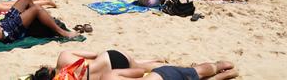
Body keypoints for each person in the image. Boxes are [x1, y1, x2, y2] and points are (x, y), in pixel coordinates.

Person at [33, 50, 166, 80]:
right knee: (136, 64)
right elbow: (94, 54)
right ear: (48, 68)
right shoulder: (64, 56)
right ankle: (155, 60)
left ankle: (153, 62)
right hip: (109, 58)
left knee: (142, 69)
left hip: (110, 74)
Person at [100, 61, 238, 80]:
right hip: (162, 75)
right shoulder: (108, 76)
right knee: (198, 71)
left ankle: (224, 73)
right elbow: (140, 72)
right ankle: (220, 66)